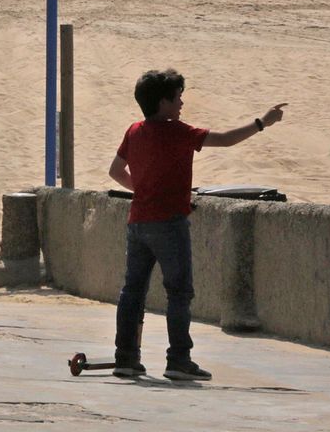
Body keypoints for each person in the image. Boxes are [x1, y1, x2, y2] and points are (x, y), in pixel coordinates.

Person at [108, 69, 286, 381]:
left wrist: (144, 191)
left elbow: (115, 170)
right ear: (163, 102)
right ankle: (178, 359)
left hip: (138, 222)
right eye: (177, 97)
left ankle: (125, 356)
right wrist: (263, 123)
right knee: (179, 291)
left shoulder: (134, 131)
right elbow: (227, 139)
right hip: (169, 224)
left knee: (132, 291)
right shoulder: (177, 131)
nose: (181, 103)